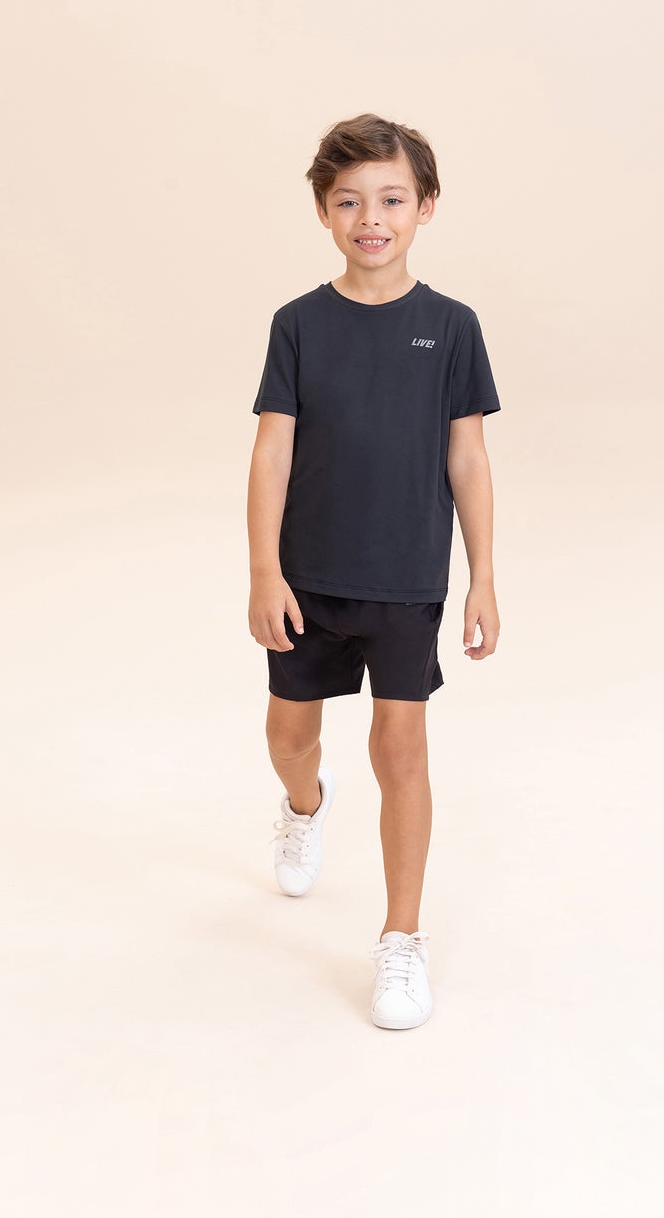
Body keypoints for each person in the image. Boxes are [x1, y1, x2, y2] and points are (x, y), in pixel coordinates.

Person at [246, 112, 502, 1029]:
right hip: (308, 578)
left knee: (401, 750)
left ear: (425, 207)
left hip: (406, 577)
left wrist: (481, 575)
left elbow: (467, 457)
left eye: (392, 199)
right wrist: (264, 571)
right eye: (350, 202)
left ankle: (401, 938)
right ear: (324, 211)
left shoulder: (452, 328)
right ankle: (303, 806)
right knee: (289, 738)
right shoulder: (298, 325)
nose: (372, 219)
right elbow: (272, 453)